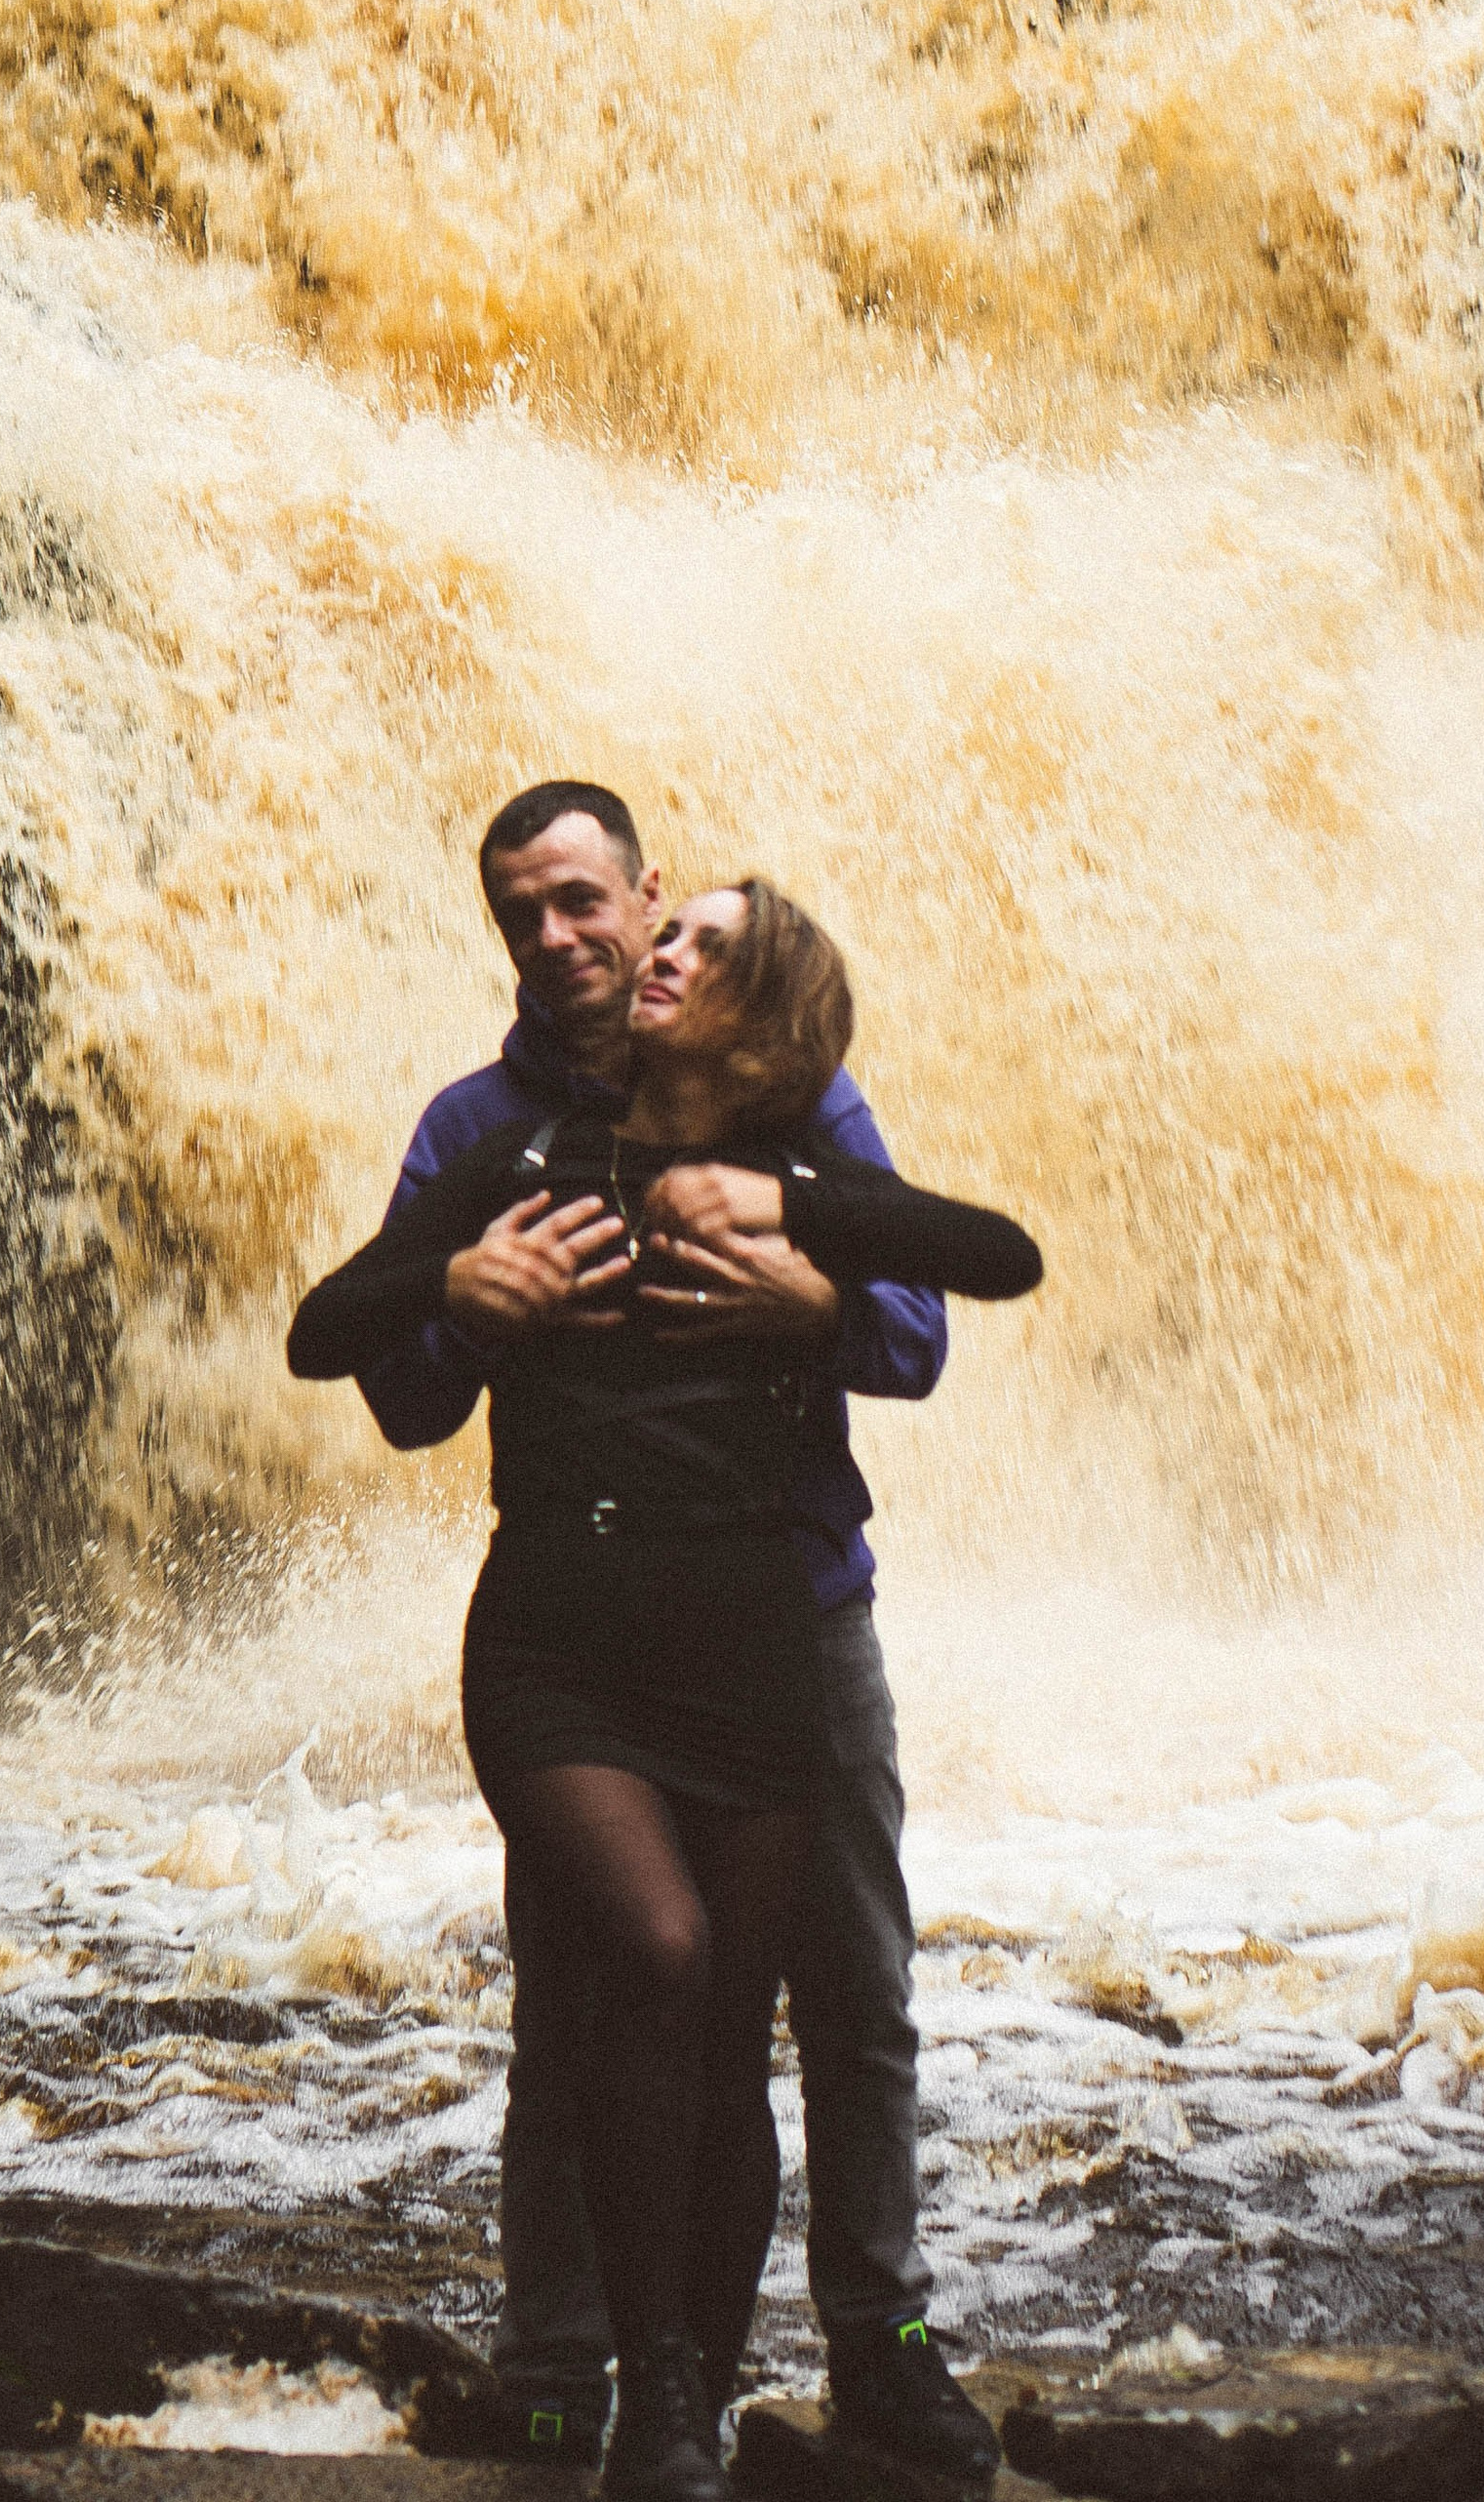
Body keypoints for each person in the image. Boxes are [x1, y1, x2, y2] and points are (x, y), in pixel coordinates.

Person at [290, 842, 1040, 2502]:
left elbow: (925, 1324)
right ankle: (590, 2379)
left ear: (637, 903)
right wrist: (473, 1299)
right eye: (520, 913)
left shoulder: (798, 1114)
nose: (566, 939)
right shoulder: (492, 1138)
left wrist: (804, 1282)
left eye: (593, 906)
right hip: (578, 1628)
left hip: (790, 1613)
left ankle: (873, 2342)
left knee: (833, 1999)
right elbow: (384, 1369)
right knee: (615, 1983)